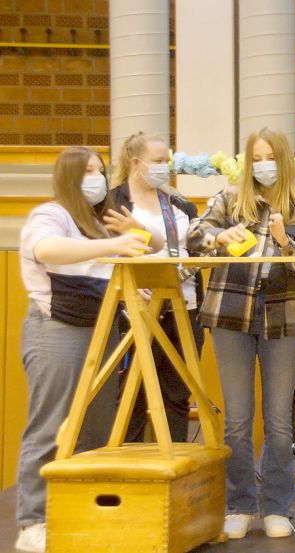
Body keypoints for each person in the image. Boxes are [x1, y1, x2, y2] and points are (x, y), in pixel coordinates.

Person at [187, 127, 295, 540]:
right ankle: (240, 504)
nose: (262, 164)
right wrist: (217, 236)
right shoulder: (229, 199)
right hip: (230, 315)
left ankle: (278, 507)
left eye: (269, 156)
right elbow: (193, 236)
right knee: (238, 420)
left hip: (284, 317)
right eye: (255, 157)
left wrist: (284, 245)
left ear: (283, 161)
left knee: (280, 421)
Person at [15, 147, 149, 553]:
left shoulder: (99, 221)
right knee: (49, 426)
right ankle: (33, 520)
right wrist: (110, 247)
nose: (97, 177)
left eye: (100, 170)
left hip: (102, 329)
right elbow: (48, 252)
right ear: (69, 176)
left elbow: (115, 268)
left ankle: (85, 513)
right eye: (88, 170)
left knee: (96, 429)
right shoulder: (50, 215)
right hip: (57, 329)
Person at [109, 132, 204, 443]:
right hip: (133, 307)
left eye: (168, 161)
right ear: (136, 164)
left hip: (183, 304)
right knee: (131, 394)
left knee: (177, 392)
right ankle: (129, 471)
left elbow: (195, 247)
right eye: (158, 162)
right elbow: (103, 255)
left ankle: (175, 465)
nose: (165, 167)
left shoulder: (179, 204)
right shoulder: (113, 202)